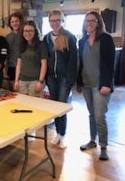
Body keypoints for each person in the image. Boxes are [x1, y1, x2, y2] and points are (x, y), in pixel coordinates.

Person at [77, 11, 115, 160]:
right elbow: (81, 64)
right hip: (87, 83)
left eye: (92, 20)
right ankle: (92, 141)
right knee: (91, 114)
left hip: (101, 84)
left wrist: (107, 84)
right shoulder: (82, 41)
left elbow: (111, 64)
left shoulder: (105, 39)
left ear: (98, 22)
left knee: (100, 116)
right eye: (87, 21)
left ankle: (104, 146)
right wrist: (79, 82)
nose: (89, 23)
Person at [44, 9, 77, 148]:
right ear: (49, 21)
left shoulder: (69, 37)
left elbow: (73, 61)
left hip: (64, 78)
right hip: (51, 77)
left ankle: (62, 135)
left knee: (62, 106)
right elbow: (46, 58)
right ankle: (58, 133)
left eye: (57, 20)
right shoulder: (46, 37)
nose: (55, 23)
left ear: (62, 20)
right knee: (55, 106)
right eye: (52, 20)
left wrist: (70, 80)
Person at [14, 20, 47, 97]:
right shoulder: (21, 45)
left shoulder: (41, 45)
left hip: (35, 81)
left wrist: (40, 81)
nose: (28, 33)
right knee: (22, 105)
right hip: (22, 81)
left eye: (30, 31)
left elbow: (44, 64)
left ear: (35, 32)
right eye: (25, 31)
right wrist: (16, 80)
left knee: (35, 106)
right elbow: (18, 64)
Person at [5, 12, 23, 90]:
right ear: (10, 23)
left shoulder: (25, 35)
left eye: (16, 21)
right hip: (12, 67)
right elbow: (7, 55)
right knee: (14, 90)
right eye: (12, 22)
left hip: (24, 67)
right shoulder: (7, 37)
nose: (14, 23)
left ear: (20, 21)